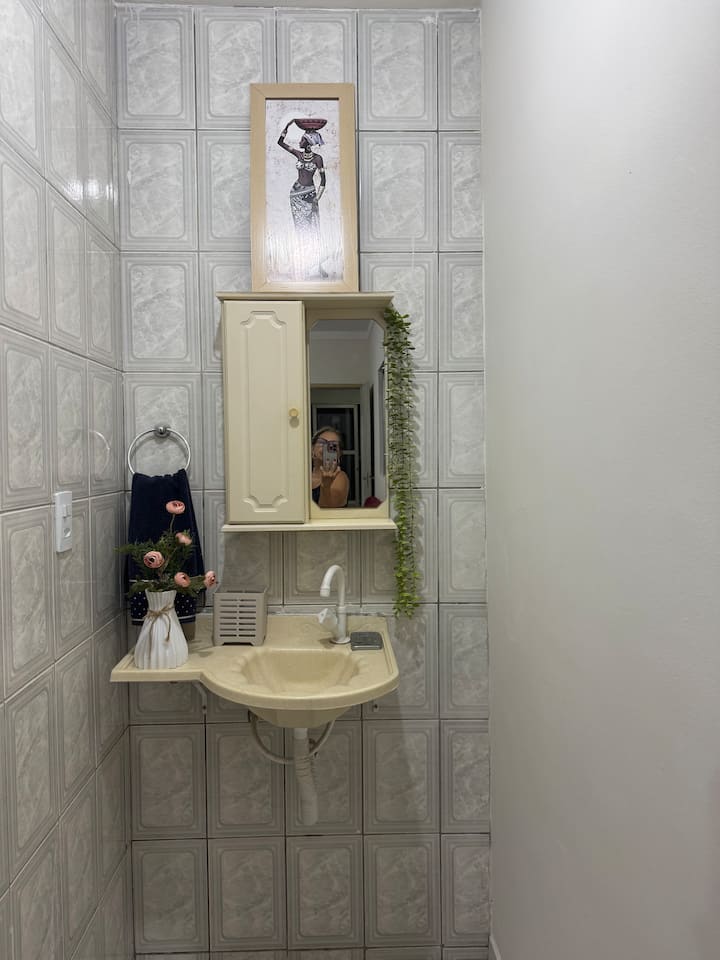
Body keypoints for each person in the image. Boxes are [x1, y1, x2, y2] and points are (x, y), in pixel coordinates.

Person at [277, 120, 327, 279]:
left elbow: (323, 180)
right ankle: (303, 266)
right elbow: (280, 143)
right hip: (296, 195)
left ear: (308, 143)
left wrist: (316, 198)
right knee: (301, 231)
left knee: (314, 229)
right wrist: (286, 127)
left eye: (302, 139)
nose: (299, 141)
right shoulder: (298, 154)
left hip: (310, 195)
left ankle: (318, 266)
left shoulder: (318, 159)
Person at [311, 428, 349, 507]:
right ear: (312, 449)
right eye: (322, 442)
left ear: (339, 453)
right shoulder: (303, 474)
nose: (327, 447)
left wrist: (326, 486)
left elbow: (329, 510)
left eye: (333, 445)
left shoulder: (340, 477)